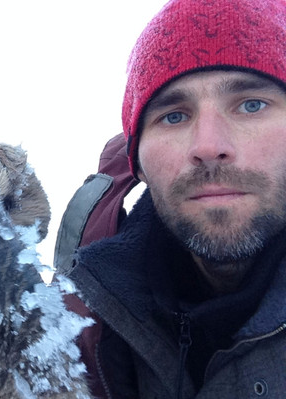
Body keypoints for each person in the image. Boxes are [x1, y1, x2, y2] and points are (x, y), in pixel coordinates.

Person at [63, 0, 286, 397]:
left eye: (251, 104)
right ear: (139, 164)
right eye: (174, 115)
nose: (208, 146)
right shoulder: (81, 321)